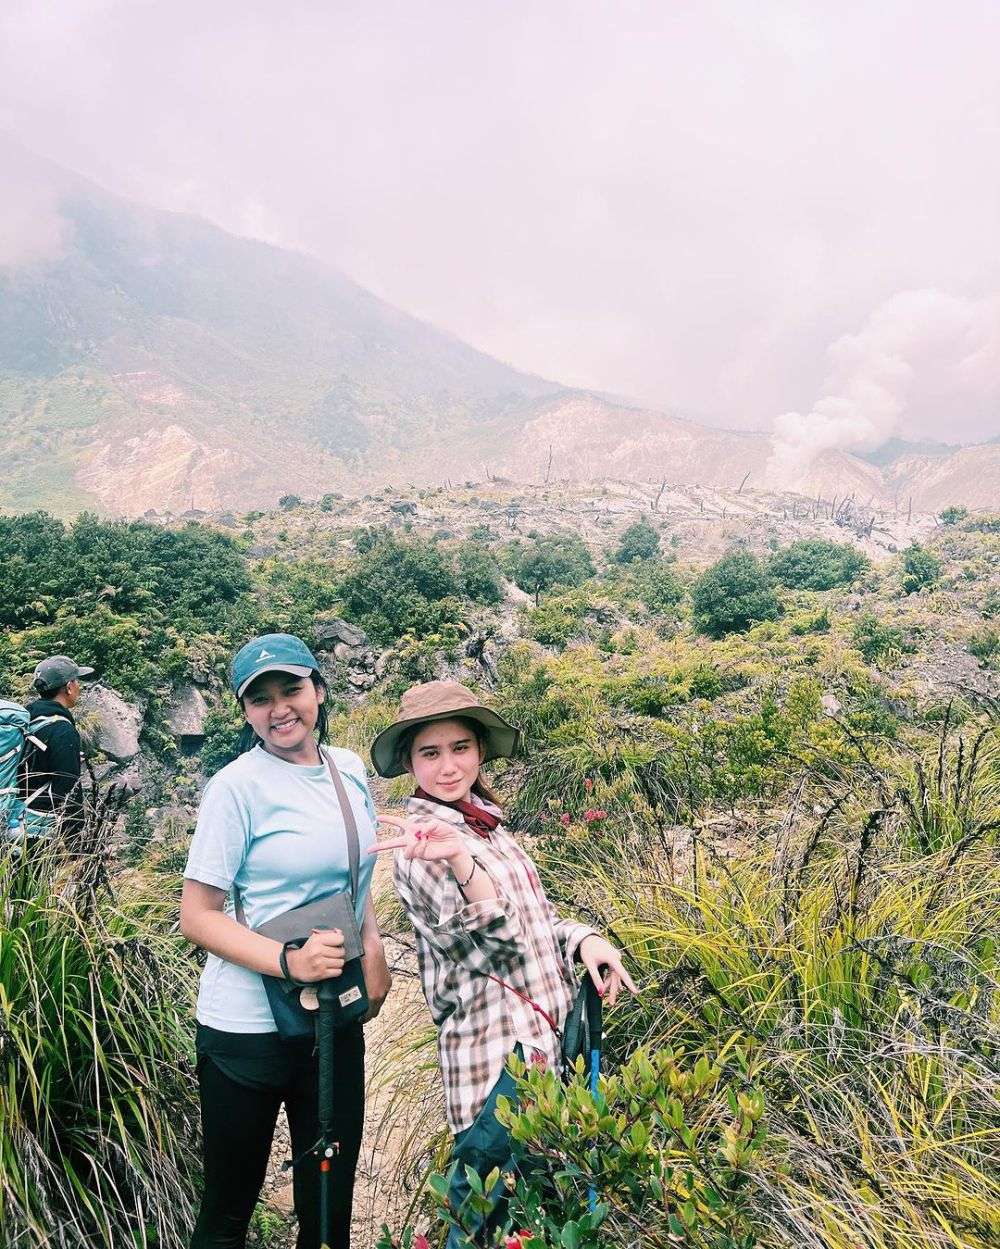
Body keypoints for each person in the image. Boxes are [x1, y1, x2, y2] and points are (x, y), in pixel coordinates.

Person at [368, 680, 638, 1246]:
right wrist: (464, 864)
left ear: (480, 750)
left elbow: (537, 925)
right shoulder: (422, 852)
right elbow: (501, 949)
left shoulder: (483, 825)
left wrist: (584, 939)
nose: (448, 766)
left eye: (460, 747)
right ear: (410, 763)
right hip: (495, 1066)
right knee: (484, 1226)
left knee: (541, 1220)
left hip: (545, 1051)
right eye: (430, 753)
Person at [179, 633, 391, 1249]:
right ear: (245, 712)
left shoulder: (348, 769)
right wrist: (287, 961)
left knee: (328, 1206)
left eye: (292, 689)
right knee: (229, 1205)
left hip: (330, 1017)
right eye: (260, 698)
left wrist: (373, 949)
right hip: (246, 1029)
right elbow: (198, 915)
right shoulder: (235, 788)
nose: (280, 709)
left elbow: (356, 877)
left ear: (319, 692)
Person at [19, 654, 94, 838]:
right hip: (40, 830)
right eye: (77, 681)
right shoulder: (61, 730)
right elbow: (68, 787)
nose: (79, 686)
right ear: (69, 687)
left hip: (14, 818)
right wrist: (75, 843)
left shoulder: (27, 719)